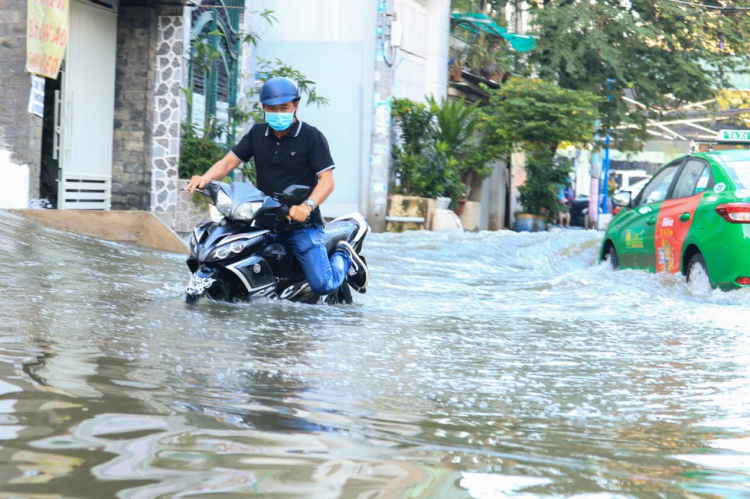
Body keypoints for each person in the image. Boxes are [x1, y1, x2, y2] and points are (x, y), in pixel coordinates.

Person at [185, 76, 369, 295]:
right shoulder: (257, 134)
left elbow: (327, 181)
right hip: (262, 220)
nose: (279, 113)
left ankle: (344, 256)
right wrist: (205, 178)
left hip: (301, 225)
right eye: (272, 108)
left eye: (285, 107)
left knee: (323, 285)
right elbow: (228, 163)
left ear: (296, 106)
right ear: (263, 108)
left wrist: (306, 206)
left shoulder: (311, 137)